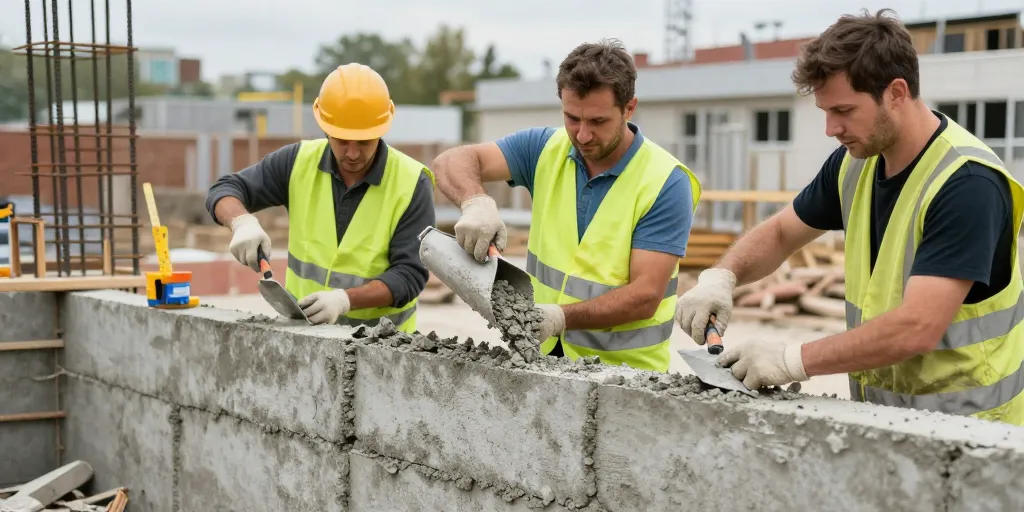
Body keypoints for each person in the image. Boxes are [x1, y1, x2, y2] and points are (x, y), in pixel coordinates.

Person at [675, 9, 1024, 425]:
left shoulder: (966, 184)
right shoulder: (855, 162)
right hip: (886, 423)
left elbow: (918, 327)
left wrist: (791, 359)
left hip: (971, 433)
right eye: (825, 111)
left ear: (896, 93)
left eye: (843, 110)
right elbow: (784, 232)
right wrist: (723, 277)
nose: (830, 128)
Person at [431, 39, 701, 373]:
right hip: (541, 359)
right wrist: (475, 202)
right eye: (572, 118)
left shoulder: (665, 181)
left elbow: (645, 296)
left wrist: (560, 317)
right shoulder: (545, 149)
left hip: (627, 374)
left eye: (598, 122)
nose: (583, 135)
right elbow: (449, 162)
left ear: (629, 109)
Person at [205, 63, 436, 331]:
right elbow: (225, 190)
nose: (352, 153)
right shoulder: (297, 162)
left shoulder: (411, 182)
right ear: (325, 128)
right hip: (307, 341)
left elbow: (410, 276)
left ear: (382, 130)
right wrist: (241, 222)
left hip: (384, 351)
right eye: (341, 140)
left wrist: (344, 300)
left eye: (364, 142)